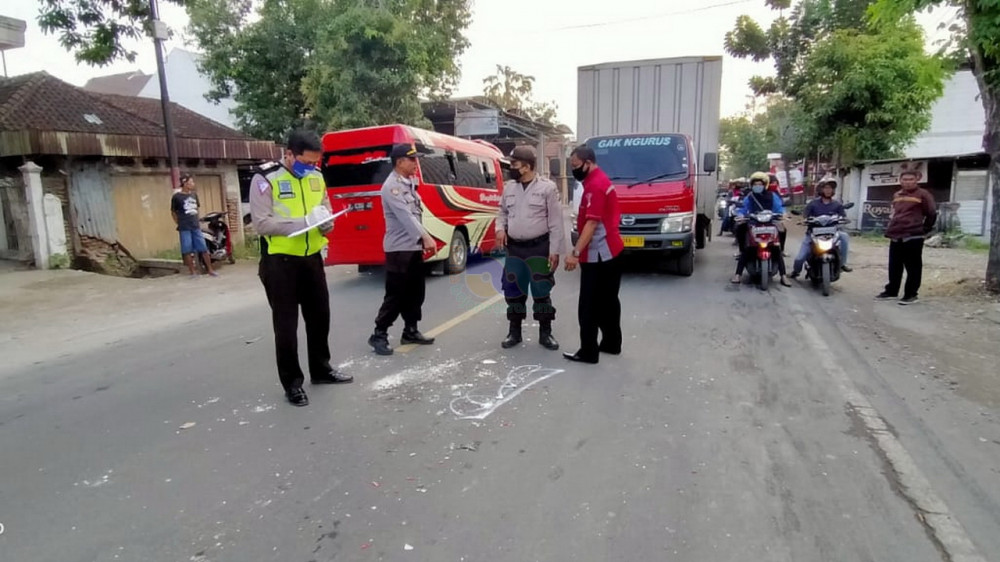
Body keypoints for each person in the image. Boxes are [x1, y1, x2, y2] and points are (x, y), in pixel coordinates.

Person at [250, 129, 352, 407]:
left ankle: (321, 369)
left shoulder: (316, 177)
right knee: (286, 326)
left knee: (320, 318)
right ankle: (292, 383)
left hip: (312, 258)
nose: (310, 167)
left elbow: (325, 208)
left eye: (315, 162)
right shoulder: (266, 178)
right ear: (289, 154)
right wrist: (304, 222)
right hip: (280, 261)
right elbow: (261, 223)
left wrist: (327, 222)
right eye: (306, 162)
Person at [368, 143, 437, 356]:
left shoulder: (408, 184)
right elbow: (405, 217)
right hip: (398, 250)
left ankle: (410, 330)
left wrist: (424, 237)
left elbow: (415, 215)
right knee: (395, 294)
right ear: (399, 162)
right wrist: (425, 237)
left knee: (416, 292)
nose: (416, 163)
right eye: (412, 159)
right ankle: (379, 333)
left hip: (412, 247)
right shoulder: (392, 187)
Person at [495, 145, 564, 350]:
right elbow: (502, 212)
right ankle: (514, 332)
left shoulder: (547, 188)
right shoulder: (509, 188)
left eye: (514, 164)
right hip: (515, 249)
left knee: (541, 291)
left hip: (539, 248)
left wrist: (554, 251)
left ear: (526, 166)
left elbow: (556, 223)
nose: (511, 168)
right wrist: (500, 228)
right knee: (513, 292)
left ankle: (545, 333)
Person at [563, 145, 624, 364]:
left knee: (588, 306)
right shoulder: (596, 181)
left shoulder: (596, 186)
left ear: (588, 163)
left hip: (599, 254)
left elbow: (591, 224)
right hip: (611, 251)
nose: (573, 170)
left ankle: (589, 351)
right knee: (609, 301)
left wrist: (575, 253)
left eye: (575, 165)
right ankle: (611, 343)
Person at [876, 169, 937, 305]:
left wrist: (925, 229)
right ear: (900, 181)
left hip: (913, 236)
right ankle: (892, 291)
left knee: (913, 267)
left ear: (916, 180)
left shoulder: (923, 194)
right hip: (896, 234)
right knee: (894, 266)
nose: (908, 182)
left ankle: (911, 294)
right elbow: (895, 212)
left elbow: (931, 213)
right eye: (905, 179)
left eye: (911, 179)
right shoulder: (897, 195)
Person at [731, 171, 790, 287]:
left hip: (770, 223)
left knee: (776, 247)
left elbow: (779, 208)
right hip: (754, 223)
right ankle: (738, 274)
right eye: (755, 184)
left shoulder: (772, 196)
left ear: (765, 185)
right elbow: (743, 209)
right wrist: (741, 215)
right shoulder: (749, 197)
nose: (757, 186)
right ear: (752, 185)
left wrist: (783, 214)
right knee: (747, 246)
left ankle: (783, 276)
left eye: (760, 184)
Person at [790, 177, 852, 279]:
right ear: (821, 189)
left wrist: (843, 220)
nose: (828, 190)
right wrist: (804, 220)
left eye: (830, 188)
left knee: (844, 236)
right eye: (826, 188)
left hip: (832, 233)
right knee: (800, 258)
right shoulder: (813, 203)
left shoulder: (837, 204)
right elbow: (805, 216)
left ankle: (842, 264)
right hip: (813, 233)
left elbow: (843, 216)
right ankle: (796, 271)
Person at [170, 173, 217, 278]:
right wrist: (179, 223)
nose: (193, 184)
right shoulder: (177, 197)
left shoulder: (194, 195)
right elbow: (173, 212)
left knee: (204, 248)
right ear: (185, 183)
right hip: (184, 227)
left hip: (195, 226)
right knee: (187, 250)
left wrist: (197, 220)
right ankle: (193, 272)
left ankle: (210, 270)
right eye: (191, 182)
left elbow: (197, 209)